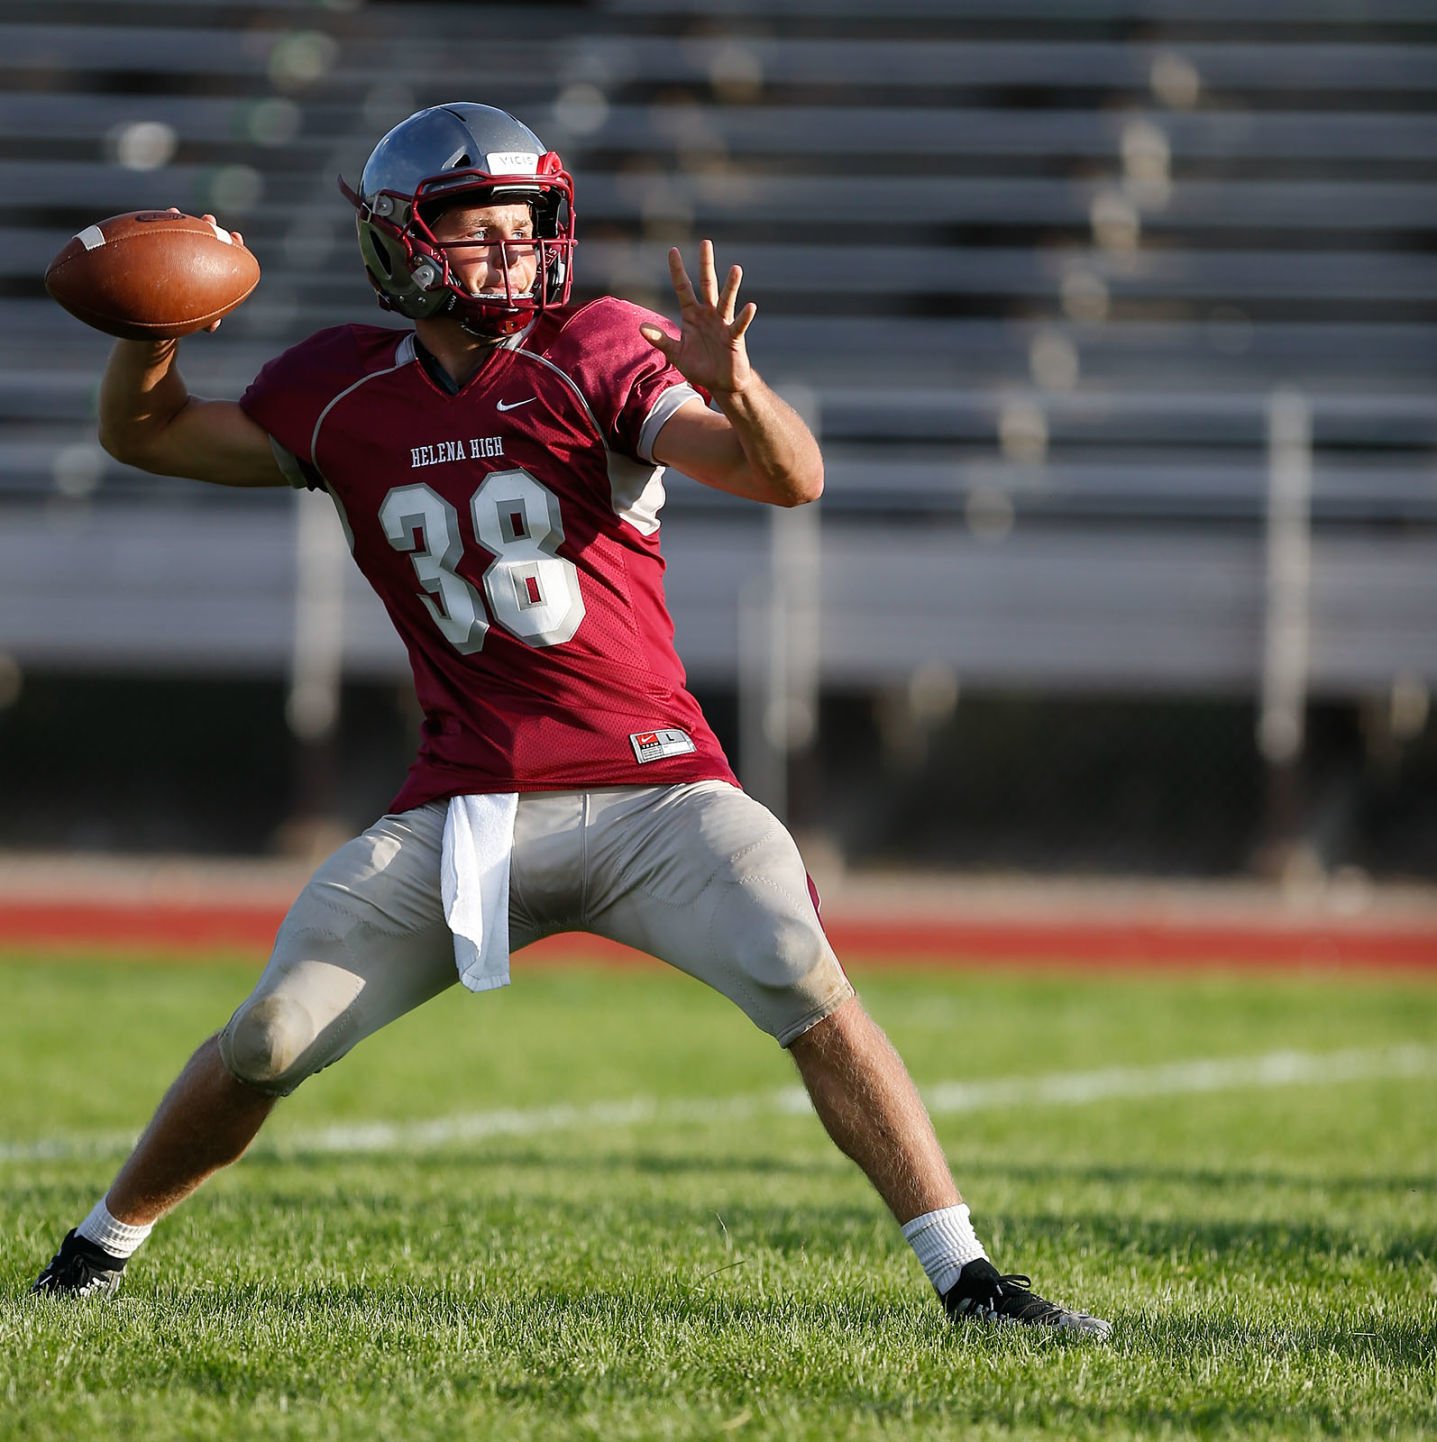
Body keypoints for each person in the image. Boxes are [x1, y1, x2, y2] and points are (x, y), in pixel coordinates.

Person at [30, 102, 1109, 1337]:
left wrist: (740, 389)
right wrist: (149, 330)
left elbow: (788, 476)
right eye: (475, 231)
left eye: (523, 226)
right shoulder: (337, 390)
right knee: (270, 1032)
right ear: (403, 244)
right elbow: (144, 433)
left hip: (658, 788)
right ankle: (92, 1255)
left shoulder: (594, 347)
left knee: (798, 963)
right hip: (463, 800)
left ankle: (969, 1277)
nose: (511, 253)